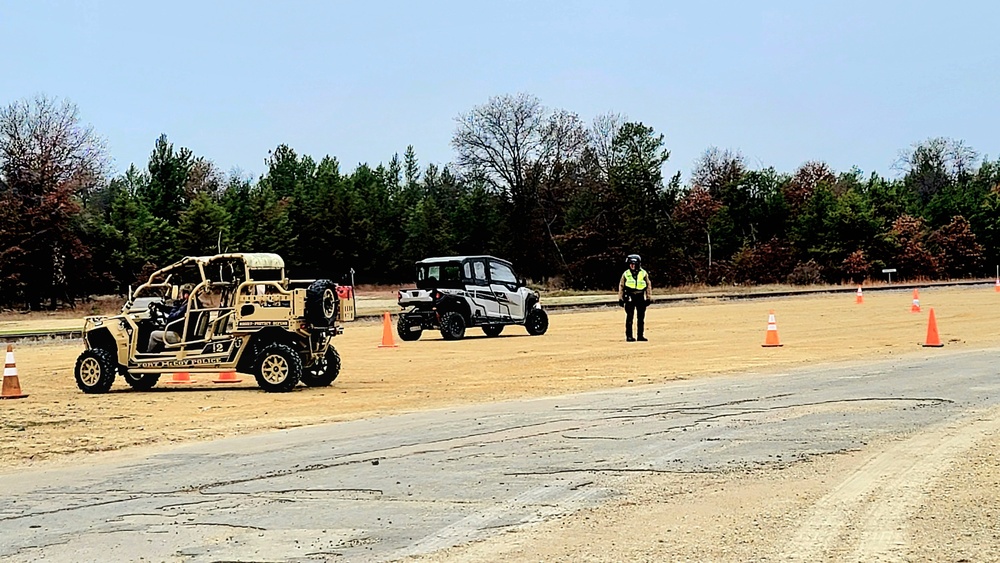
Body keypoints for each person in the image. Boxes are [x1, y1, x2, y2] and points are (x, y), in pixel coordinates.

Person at [147, 284, 194, 352]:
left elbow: (171, 318)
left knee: (153, 334)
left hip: (179, 335)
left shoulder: (187, 306)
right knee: (159, 329)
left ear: (186, 295)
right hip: (182, 333)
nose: (179, 295)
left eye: (181, 293)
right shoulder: (189, 304)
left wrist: (176, 304)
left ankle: (149, 355)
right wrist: (161, 307)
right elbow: (175, 312)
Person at [618, 254, 651, 342]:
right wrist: (620, 298)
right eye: (630, 264)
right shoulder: (626, 274)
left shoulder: (643, 273)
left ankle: (640, 335)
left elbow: (648, 285)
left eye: (633, 264)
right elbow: (621, 286)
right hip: (629, 296)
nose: (631, 266)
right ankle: (629, 336)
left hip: (640, 296)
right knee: (629, 317)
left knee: (641, 317)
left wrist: (648, 298)